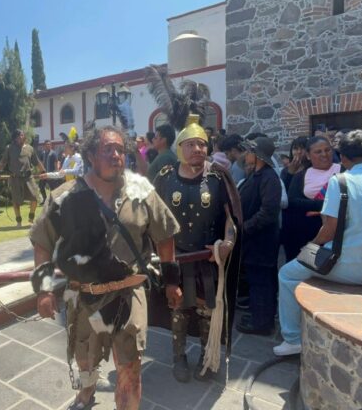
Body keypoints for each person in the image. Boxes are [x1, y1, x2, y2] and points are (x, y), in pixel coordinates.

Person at [31, 125, 179, 410]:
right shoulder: (64, 197)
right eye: (107, 149)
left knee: (129, 369)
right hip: (84, 296)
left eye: (120, 150)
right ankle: (86, 392)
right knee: (85, 358)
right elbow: (42, 243)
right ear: (89, 155)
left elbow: (165, 235)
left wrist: (172, 280)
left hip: (128, 293)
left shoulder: (142, 192)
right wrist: (44, 291)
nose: (116, 155)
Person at [152, 115, 243, 383]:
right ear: (180, 148)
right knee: (178, 309)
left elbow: (231, 216)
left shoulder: (218, 176)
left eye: (202, 144)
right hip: (175, 258)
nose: (198, 150)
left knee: (207, 309)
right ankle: (179, 357)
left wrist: (228, 242)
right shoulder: (165, 177)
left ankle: (207, 355)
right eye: (191, 144)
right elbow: (153, 217)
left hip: (209, 258)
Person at [275, 130, 362, 356]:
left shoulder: (341, 182)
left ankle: (292, 338)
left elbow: (329, 230)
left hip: (344, 262)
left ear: (343, 157)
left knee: (287, 274)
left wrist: (308, 250)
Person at [236, 137, 282, 336]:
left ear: (257, 155)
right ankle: (259, 316)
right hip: (253, 240)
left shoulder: (269, 178)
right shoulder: (256, 175)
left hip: (261, 240)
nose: (247, 155)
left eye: (250, 151)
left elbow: (268, 212)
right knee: (257, 280)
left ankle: (262, 323)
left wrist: (245, 228)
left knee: (262, 281)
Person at [284, 136, 341, 261]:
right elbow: (293, 201)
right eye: (318, 152)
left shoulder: (343, 171)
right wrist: (322, 205)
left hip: (338, 233)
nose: (324, 154)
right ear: (308, 156)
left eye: (327, 150)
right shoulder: (301, 176)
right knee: (310, 271)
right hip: (307, 235)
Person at [0, 129, 45, 226]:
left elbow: (37, 162)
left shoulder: (30, 148)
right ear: (15, 138)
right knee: (16, 201)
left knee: (35, 197)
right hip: (15, 178)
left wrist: (43, 171)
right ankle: (19, 221)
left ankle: (31, 218)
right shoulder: (9, 148)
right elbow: (3, 161)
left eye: (22, 135)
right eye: (19, 136)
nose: (21, 137)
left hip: (28, 177)